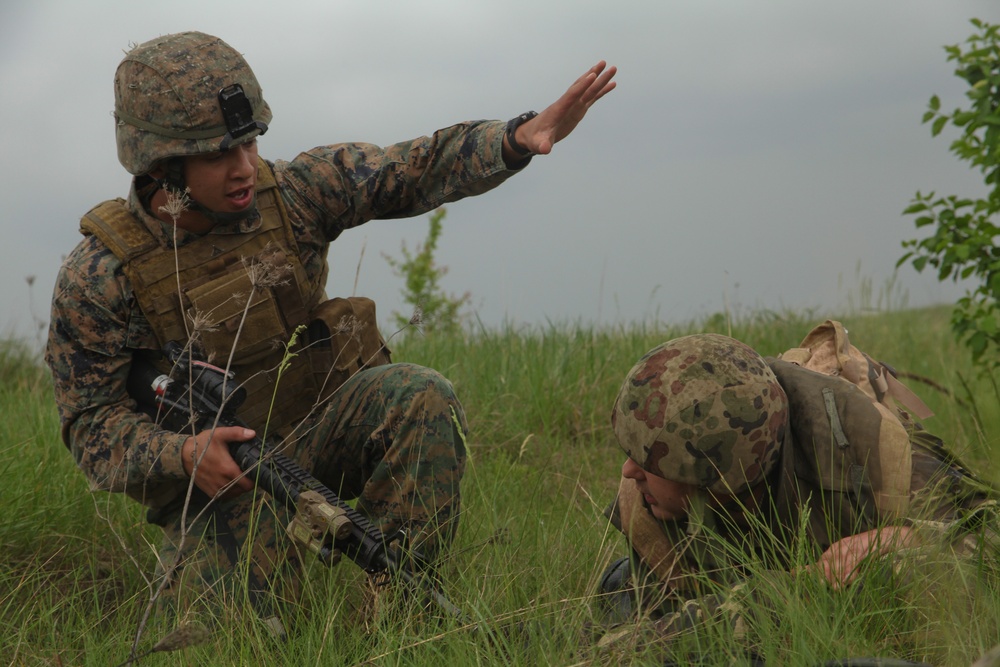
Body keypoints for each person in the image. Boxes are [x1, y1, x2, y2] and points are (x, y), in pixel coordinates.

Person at [44, 30, 616, 629]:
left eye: (250, 142)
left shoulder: (291, 194)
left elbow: (409, 168)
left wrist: (514, 140)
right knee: (236, 642)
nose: (245, 167)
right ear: (161, 166)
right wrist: (184, 454)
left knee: (422, 395)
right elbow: (90, 426)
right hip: (221, 486)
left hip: (324, 429)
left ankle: (399, 625)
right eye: (218, 155)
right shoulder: (101, 276)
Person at [598, 325, 997, 644]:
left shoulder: (880, 461)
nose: (630, 470)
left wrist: (913, 539)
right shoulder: (654, 502)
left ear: (716, 476)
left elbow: (990, 541)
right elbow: (649, 635)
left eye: (650, 463)